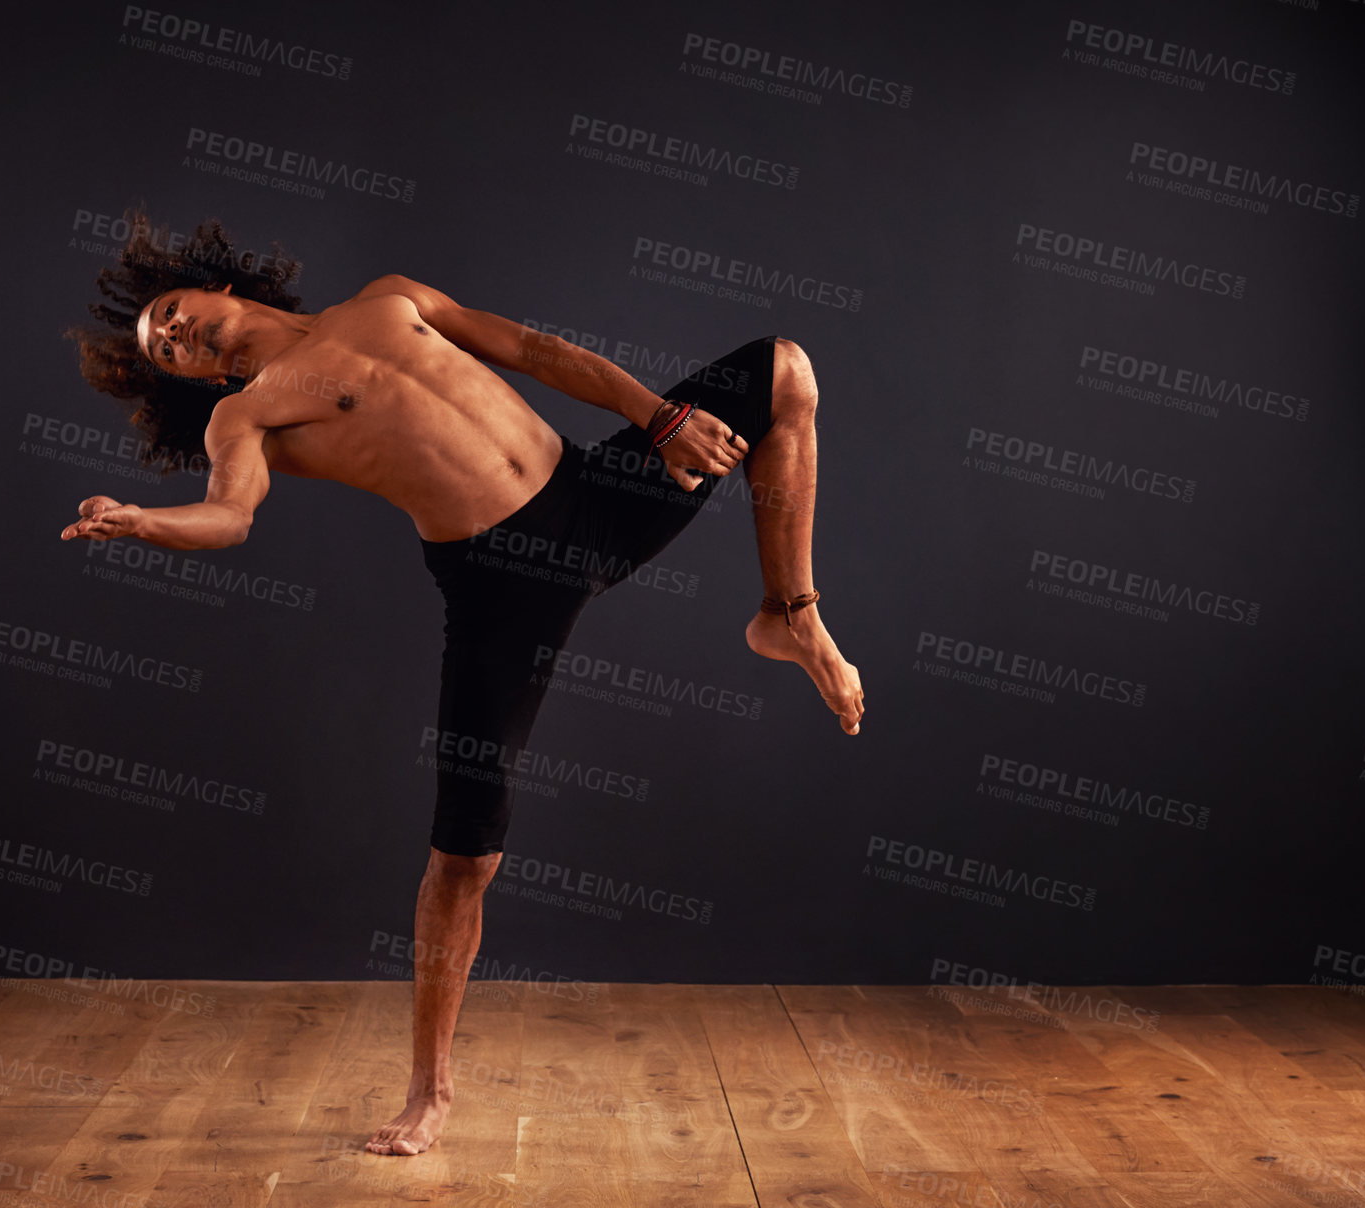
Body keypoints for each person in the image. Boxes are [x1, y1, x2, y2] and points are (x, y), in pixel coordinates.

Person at [62, 214, 864, 1156]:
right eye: (166, 352)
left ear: (215, 288)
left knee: (786, 373)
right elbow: (228, 516)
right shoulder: (246, 413)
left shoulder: (389, 299)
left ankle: (790, 613)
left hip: (592, 497)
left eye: (171, 314)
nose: (176, 336)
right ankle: (429, 1091)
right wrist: (141, 522)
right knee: (464, 859)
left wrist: (659, 416)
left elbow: (535, 351)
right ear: (193, 380)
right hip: (498, 588)